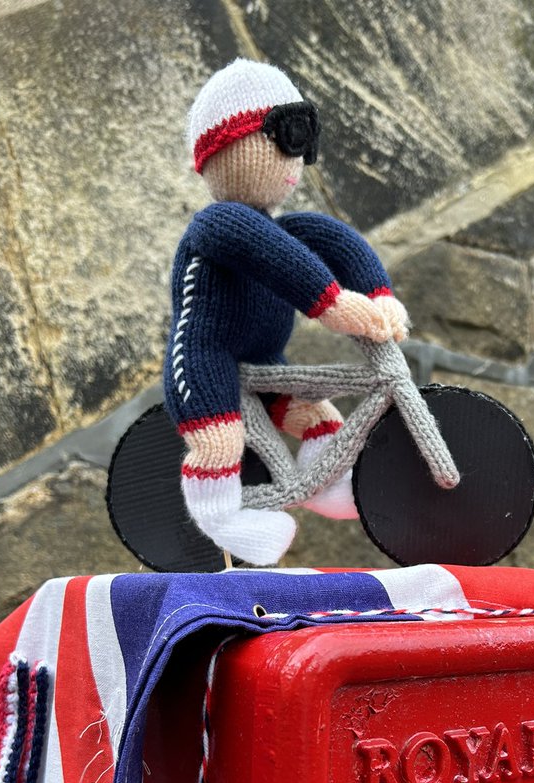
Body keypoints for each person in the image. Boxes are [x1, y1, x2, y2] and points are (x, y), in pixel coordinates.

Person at [164, 58, 409, 564]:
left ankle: (320, 483)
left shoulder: (285, 226)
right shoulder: (218, 224)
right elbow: (277, 259)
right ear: (234, 147)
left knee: (318, 415)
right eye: (287, 140)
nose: (298, 160)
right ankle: (221, 517)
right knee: (219, 441)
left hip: (263, 363)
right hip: (206, 363)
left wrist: (379, 295)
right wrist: (334, 304)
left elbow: (339, 244)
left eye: (305, 143)